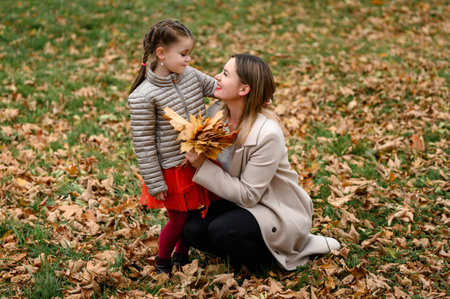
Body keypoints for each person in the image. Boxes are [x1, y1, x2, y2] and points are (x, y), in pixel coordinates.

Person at [184, 54, 340, 272]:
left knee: (222, 231)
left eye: (226, 74)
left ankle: (275, 259)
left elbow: (249, 195)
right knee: (191, 229)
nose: (217, 76)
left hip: (273, 207)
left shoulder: (267, 133)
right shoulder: (216, 115)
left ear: (243, 89)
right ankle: (242, 251)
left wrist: (202, 166)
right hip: (234, 200)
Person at [128, 20, 217, 274]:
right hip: (172, 169)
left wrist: (251, 93)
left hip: (197, 159)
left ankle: (181, 256)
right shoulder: (143, 96)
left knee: (191, 216)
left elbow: (216, 88)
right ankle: (162, 261)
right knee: (179, 219)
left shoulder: (190, 75)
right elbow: (144, 144)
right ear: (161, 54)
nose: (189, 60)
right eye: (184, 54)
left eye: (189, 53)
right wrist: (155, 182)